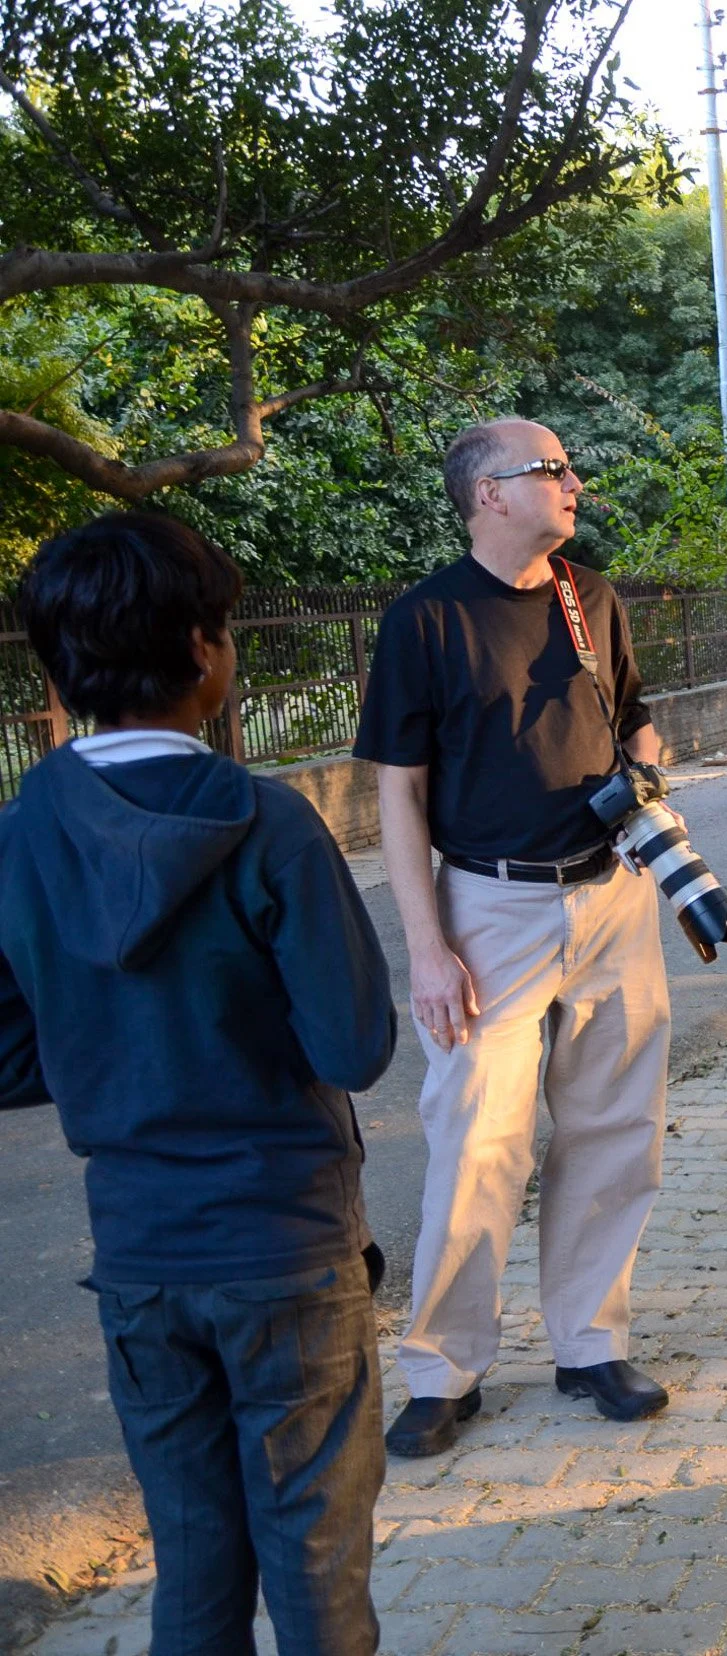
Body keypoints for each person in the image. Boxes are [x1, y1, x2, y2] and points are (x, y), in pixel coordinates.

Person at [0, 513, 398, 1654]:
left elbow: (6, 1051)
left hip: (138, 1253)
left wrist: (117, 1060)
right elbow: (352, 1043)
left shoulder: (21, 838)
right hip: (285, 1243)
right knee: (316, 1555)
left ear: (55, 665)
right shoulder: (268, 822)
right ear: (205, 647)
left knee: (194, 1557)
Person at [354, 418, 673, 1458]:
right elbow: (397, 792)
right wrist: (427, 945)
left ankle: (590, 1342)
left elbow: (634, 719)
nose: (575, 483)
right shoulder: (425, 619)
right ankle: (444, 1371)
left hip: (613, 896)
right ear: (491, 492)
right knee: (475, 1145)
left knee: (615, 1129)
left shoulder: (592, 599)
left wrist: (648, 770)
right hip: (487, 907)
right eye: (554, 470)